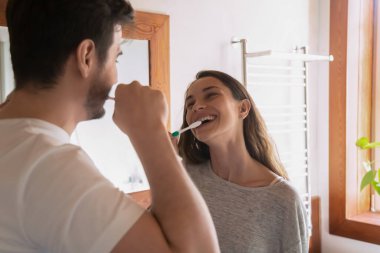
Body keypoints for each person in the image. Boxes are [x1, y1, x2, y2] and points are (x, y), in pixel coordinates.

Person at [0, 1, 220, 252]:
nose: (116, 76)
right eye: (116, 57)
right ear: (86, 56)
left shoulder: (16, 146)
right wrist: (150, 132)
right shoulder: (45, 165)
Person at [174, 70, 309, 253]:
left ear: (243, 108)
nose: (196, 107)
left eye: (211, 95)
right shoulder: (183, 176)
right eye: (190, 104)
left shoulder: (283, 200)